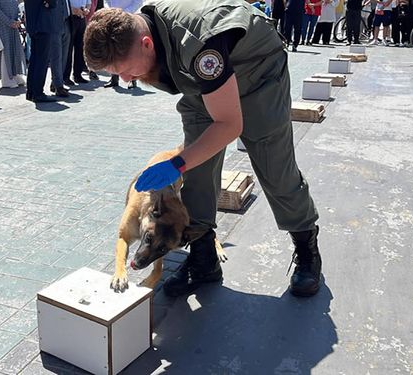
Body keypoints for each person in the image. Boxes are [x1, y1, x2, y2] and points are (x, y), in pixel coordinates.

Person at [84, 1, 322, 298]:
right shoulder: (148, 28)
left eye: (127, 71)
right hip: (204, 84)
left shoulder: (200, 46)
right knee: (197, 170)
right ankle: (203, 259)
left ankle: (307, 249)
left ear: (146, 44)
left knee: (274, 167)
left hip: (256, 74)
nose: (128, 80)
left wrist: (177, 163)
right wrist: (188, 162)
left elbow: (229, 125)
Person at [24, 0, 58, 102]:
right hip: (43, 25)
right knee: (42, 61)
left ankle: (30, 92)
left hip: (33, 26)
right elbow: (53, 3)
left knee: (34, 59)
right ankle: (38, 92)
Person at [0, 0, 27, 88]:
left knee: (15, 49)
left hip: (13, 24)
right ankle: (6, 79)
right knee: (5, 51)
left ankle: (15, 74)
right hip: (1, 25)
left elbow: (16, 8)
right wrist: (9, 22)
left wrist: (17, 20)